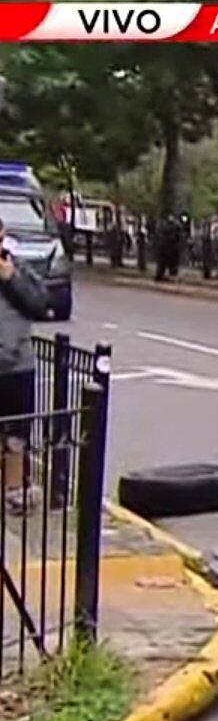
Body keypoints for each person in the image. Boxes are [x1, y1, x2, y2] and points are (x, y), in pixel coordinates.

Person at [0, 216, 51, 508]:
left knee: (16, 436)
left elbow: (40, 304)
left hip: (17, 366)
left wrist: (11, 279)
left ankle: (14, 492)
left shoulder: (17, 268)